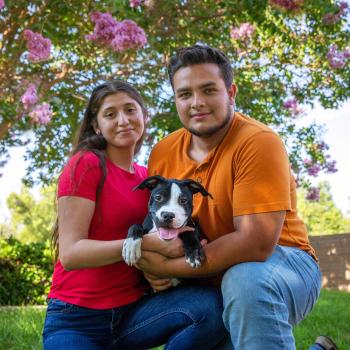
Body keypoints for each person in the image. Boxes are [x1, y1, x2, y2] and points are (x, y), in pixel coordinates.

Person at [135, 45, 338, 350]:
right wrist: (150, 267)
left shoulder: (258, 142)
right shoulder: (163, 152)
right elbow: (154, 227)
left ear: (231, 92)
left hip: (282, 266)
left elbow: (254, 244)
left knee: (244, 281)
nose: (197, 103)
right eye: (185, 94)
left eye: (208, 90)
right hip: (209, 278)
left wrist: (164, 268)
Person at [42, 80, 227, 350]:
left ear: (143, 116)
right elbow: (71, 254)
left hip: (133, 313)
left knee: (211, 309)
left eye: (130, 110)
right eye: (110, 114)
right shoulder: (86, 164)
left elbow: (164, 238)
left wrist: (156, 269)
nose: (123, 120)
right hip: (77, 317)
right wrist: (146, 244)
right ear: (96, 125)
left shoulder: (149, 181)